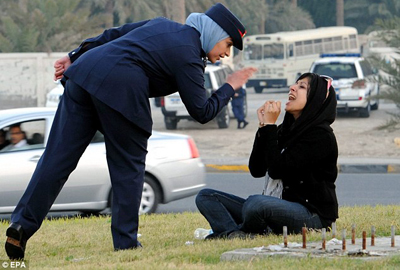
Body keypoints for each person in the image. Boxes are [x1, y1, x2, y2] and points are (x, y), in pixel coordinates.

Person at [5, 3, 256, 260]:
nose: (227, 53)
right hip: (121, 89)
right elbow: (202, 112)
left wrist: (74, 55)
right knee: (129, 167)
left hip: (84, 74)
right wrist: (229, 86)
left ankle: (21, 225)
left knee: (57, 158)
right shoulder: (189, 56)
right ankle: (125, 243)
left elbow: (115, 33)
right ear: (213, 34)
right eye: (227, 44)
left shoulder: (162, 24)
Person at [196, 73, 339, 239]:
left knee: (256, 204)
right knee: (206, 196)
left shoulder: (321, 136)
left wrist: (270, 126)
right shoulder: (284, 131)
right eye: (295, 83)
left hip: (311, 216)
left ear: (316, 99)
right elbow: (256, 169)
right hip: (273, 208)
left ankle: (235, 232)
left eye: (302, 87)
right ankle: (233, 234)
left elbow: (277, 170)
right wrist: (264, 127)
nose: (292, 88)